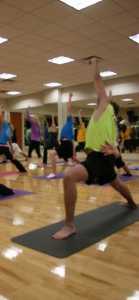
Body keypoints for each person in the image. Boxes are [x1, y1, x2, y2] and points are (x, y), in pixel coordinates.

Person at [52, 57, 137, 240]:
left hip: (99, 158)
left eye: (103, 100)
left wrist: (94, 63)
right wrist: (115, 153)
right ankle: (132, 203)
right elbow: (113, 146)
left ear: (106, 105)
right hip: (100, 158)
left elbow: (97, 81)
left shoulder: (105, 111)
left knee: (69, 177)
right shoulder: (108, 119)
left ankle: (69, 226)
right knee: (116, 183)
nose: (99, 101)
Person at [0, 105, 27, 175]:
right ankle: (22, 169)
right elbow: (10, 144)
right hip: (5, 148)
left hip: (2, 147)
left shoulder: (5, 126)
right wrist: (12, 154)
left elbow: (0, 116)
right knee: (13, 159)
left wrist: (0, 108)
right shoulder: (10, 132)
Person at [47, 92, 78, 178]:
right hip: (64, 144)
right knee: (73, 159)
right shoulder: (70, 126)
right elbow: (73, 142)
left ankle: (54, 172)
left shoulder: (70, 122)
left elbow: (69, 108)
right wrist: (73, 154)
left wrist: (69, 98)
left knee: (52, 154)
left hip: (67, 145)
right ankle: (54, 172)